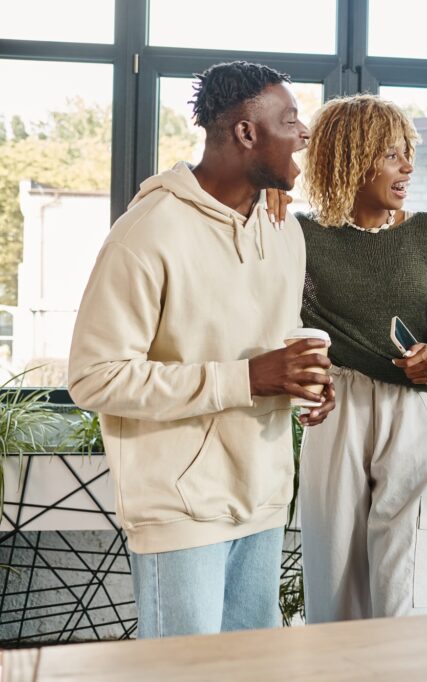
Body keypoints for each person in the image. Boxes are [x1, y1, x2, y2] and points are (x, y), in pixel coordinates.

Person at [68, 61, 335, 638]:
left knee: (255, 676)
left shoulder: (283, 229)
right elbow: (94, 377)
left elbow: (267, 350)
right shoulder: (148, 232)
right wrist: (248, 379)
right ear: (246, 133)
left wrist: (303, 383)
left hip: (263, 498)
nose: (305, 132)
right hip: (180, 510)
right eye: (290, 119)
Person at [294, 94, 427, 622]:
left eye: (406, 153)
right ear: (352, 158)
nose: (408, 167)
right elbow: (274, 325)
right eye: (393, 155)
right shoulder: (298, 236)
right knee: (335, 580)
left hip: (416, 412)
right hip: (337, 408)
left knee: (412, 583)